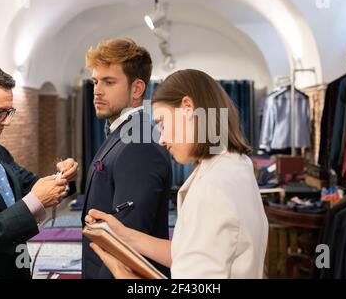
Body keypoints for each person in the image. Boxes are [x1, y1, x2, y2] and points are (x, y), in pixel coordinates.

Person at [86, 69, 269, 279]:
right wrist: (124, 235)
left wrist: (124, 275)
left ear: (188, 108)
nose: (161, 139)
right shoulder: (235, 164)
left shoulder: (212, 186)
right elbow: (190, 254)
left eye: (163, 123)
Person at [0, 64, 79, 279]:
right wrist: (32, 203)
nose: (7, 122)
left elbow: (31, 184)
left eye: (9, 112)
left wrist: (63, 176)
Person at [82, 38, 172, 279]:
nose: (97, 91)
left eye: (109, 82)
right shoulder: (124, 134)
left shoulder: (139, 145)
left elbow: (126, 248)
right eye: (95, 82)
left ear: (137, 89)